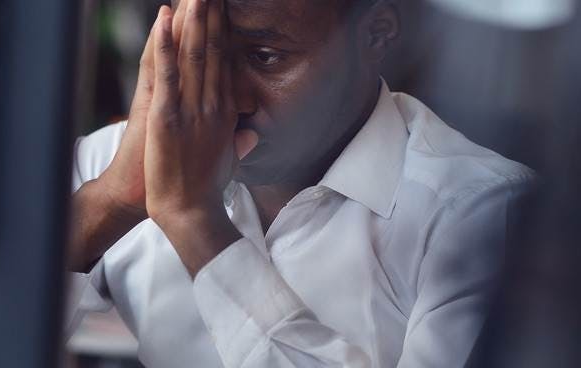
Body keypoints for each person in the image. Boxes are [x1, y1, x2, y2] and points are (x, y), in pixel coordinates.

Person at [65, 0, 534, 366]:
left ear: (377, 33)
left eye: (264, 56)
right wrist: (112, 202)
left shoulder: (484, 215)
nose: (229, 101)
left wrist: (195, 223)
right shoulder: (114, 166)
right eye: (202, 54)